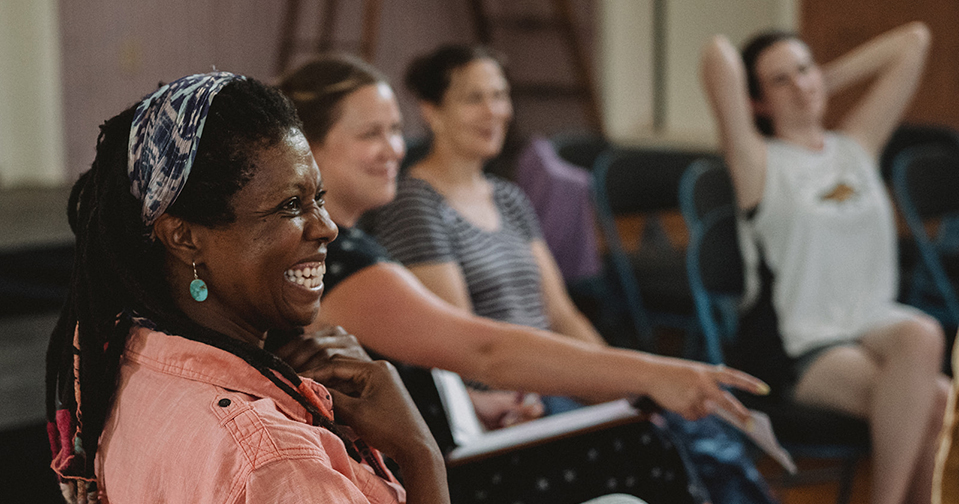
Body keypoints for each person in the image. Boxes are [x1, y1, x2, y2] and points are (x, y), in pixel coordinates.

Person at [276, 52, 775, 504]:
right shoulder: (334, 257)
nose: (394, 149)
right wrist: (650, 374)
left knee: (656, 435)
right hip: (424, 480)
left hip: (450, 444)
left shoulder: (356, 242)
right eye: (370, 135)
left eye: (393, 130)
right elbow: (480, 349)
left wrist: (470, 404)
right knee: (638, 444)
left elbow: (403, 368)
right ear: (308, 150)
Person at [44, 72, 449, 504]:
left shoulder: (136, 357)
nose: (327, 227)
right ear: (184, 237)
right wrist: (420, 453)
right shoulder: (277, 463)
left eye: (319, 198)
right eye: (290, 205)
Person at [700, 21, 949, 504]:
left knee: (923, 335)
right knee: (935, 398)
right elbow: (716, 55)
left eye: (804, 69)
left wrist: (823, 79)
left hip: (870, 324)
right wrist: (797, 85)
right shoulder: (759, 163)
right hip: (799, 347)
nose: (800, 85)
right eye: (780, 80)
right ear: (757, 103)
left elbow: (914, 41)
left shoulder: (856, 147)